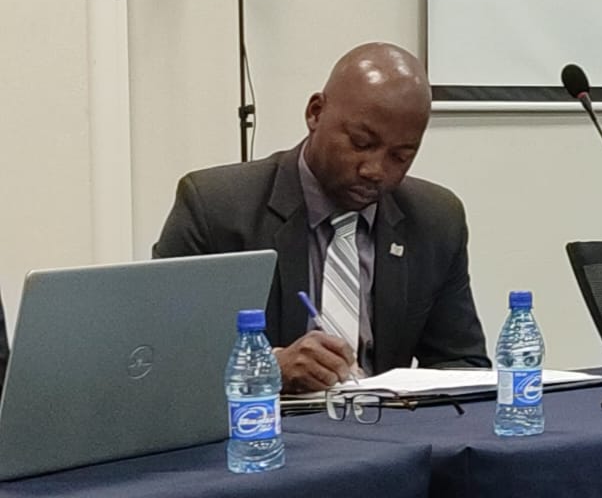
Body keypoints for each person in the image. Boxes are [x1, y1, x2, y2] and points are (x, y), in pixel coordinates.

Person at [154, 43, 487, 391]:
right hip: (266, 421)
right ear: (315, 113)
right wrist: (268, 369)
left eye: (400, 157)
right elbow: (160, 358)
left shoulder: (435, 220)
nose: (375, 170)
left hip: (385, 422)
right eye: (361, 143)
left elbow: (462, 365)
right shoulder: (215, 207)